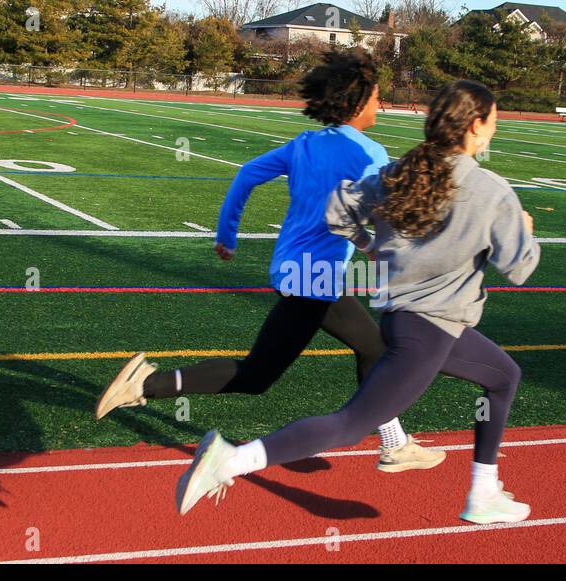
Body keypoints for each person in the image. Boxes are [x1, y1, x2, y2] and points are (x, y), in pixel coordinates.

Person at [176, 80, 542, 524]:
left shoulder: (402, 171)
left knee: (504, 376)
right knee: (350, 424)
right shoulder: (492, 191)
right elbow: (519, 268)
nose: (496, 128)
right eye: (495, 119)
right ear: (476, 125)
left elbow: (338, 211)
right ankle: (230, 460)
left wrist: (370, 245)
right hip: (429, 332)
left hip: (408, 321)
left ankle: (483, 492)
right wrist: (524, 227)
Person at [95, 50, 444, 473]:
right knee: (375, 349)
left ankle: (146, 384)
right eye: (375, 96)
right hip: (317, 277)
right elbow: (384, 212)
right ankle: (394, 442)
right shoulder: (370, 154)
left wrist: (227, 235)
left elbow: (246, 174)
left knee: (258, 375)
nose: (379, 104)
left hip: (290, 270)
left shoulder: (303, 144)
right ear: (357, 102)